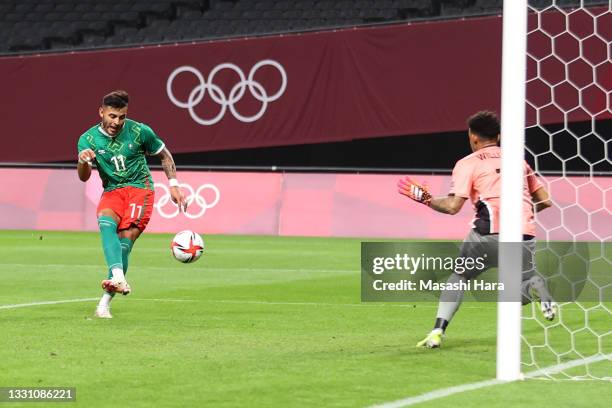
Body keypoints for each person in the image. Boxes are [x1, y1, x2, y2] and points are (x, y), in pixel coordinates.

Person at [398, 110, 556, 348]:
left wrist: (426, 199)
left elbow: (453, 206)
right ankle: (536, 283)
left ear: (473, 137)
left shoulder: (467, 163)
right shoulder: (518, 160)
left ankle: (437, 331)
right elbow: (545, 201)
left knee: (459, 276)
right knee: (517, 293)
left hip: (488, 234)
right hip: (524, 233)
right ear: (499, 136)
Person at [77, 90, 187, 319]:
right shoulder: (87, 140)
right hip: (113, 190)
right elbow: (84, 176)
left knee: (125, 241)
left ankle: (104, 304)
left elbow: (164, 155)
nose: (116, 122)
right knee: (106, 223)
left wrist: (174, 184)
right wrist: (83, 161)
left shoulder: (140, 131)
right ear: (101, 112)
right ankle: (118, 277)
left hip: (140, 190)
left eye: (121, 117)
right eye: (112, 116)